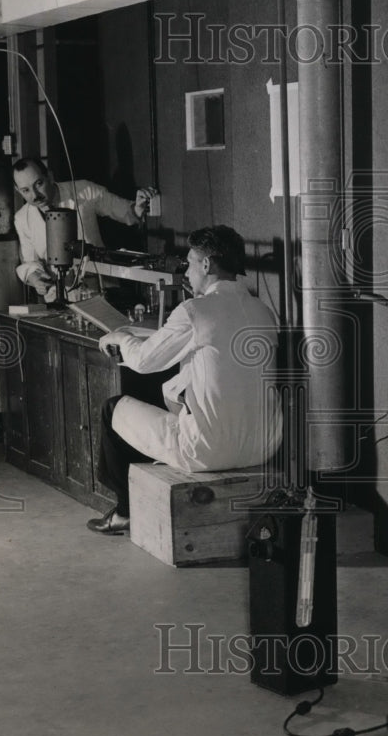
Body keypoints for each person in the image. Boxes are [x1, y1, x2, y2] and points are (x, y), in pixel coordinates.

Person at [86, 225, 283, 535]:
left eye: (190, 263)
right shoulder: (264, 312)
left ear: (207, 265)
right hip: (263, 446)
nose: (187, 272)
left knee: (113, 409)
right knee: (176, 393)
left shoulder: (194, 311)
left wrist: (122, 336)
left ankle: (124, 511)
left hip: (209, 451)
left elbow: (143, 361)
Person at [12, 157, 157, 302]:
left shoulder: (83, 190)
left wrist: (137, 207)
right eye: (26, 190)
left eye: (39, 184)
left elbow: (124, 210)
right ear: (18, 191)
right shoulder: (22, 218)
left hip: (101, 290)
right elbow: (30, 261)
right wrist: (37, 279)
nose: (35, 195)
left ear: (49, 176)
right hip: (59, 296)